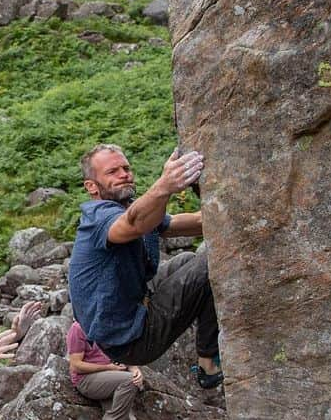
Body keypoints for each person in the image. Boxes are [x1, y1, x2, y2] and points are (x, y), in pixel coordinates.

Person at [68, 144, 223, 389]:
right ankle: (210, 361)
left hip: (136, 305)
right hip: (130, 340)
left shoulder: (130, 208)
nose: (124, 174)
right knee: (211, 262)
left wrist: (229, 214)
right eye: (112, 172)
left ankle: (205, 354)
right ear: (91, 186)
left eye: (126, 168)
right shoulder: (98, 217)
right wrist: (165, 186)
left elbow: (177, 224)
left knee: (185, 261)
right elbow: (132, 225)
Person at [66, 319, 142, 420]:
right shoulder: (78, 328)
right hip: (87, 379)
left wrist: (135, 369)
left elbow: (123, 352)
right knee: (129, 381)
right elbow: (75, 365)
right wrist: (109, 367)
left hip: (111, 378)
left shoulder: (109, 323)